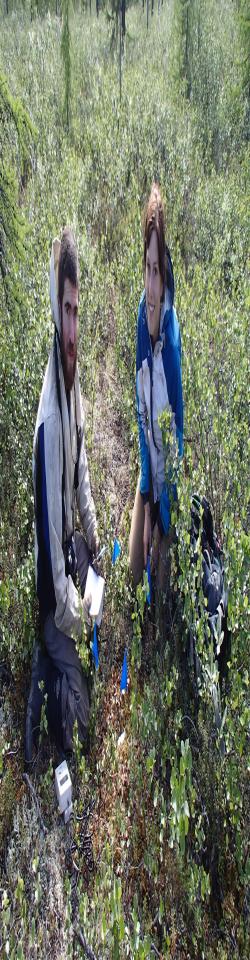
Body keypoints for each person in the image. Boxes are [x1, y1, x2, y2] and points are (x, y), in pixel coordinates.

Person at [25, 228, 99, 763]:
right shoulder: (50, 420)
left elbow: (84, 471)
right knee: (79, 724)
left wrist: (94, 544)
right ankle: (46, 664)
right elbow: (52, 575)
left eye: (78, 311)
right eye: (66, 312)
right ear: (55, 311)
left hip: (69, 560)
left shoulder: (72, 382)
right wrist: (82, 615)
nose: (73, 327)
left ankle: (57, 654)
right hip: (53, 602)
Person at [129, 183, 183, 595]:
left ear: (165, 274)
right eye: (146, 269)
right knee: (133, 572)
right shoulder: (138, 327)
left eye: (157, 272)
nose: (150, 285)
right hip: (150, 465)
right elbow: (140, 411)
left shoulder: (171, 345)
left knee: (161, 592)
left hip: (171, 483)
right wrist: (144, 494)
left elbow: (176, 442)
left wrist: (161, 513)